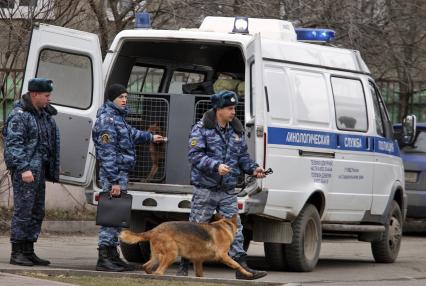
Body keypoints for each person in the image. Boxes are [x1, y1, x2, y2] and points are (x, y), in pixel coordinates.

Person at [179, 90, 267, 280]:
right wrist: (215, 166)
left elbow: (242, 157)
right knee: (196, 227)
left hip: (227, 190)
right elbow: (194, 156)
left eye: (234, 108)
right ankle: (183, 267)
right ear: (218, 109)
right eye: (229, 108)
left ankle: (241, 268)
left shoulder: (236, 131)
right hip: (205, 188)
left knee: (236, 228)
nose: (233, 112)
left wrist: (253, 169)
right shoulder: (201, 129)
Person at [92, 83, 163, 272]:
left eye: (126, 97)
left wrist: (150, 137)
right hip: (113, 176)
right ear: (112, 99)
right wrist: (114, 180)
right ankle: (104, 258)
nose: (124, 100)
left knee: (118, 218)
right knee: (111, 217)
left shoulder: (118, 118)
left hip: (120, 174)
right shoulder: (107, 120)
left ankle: (113, 256)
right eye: (121, 97)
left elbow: (131, 133)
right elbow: (107, 153)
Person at [3, 78, 60, 266]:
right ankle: (17, 251)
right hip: (26, 172)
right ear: (34, 94)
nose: (49, 99)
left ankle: (28, 250)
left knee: (37, 211)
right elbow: (13, 144)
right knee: (24, 211)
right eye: (46, 95)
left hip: (39, 171)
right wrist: (23, 168)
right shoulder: (20, 115)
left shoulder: (41, 114)